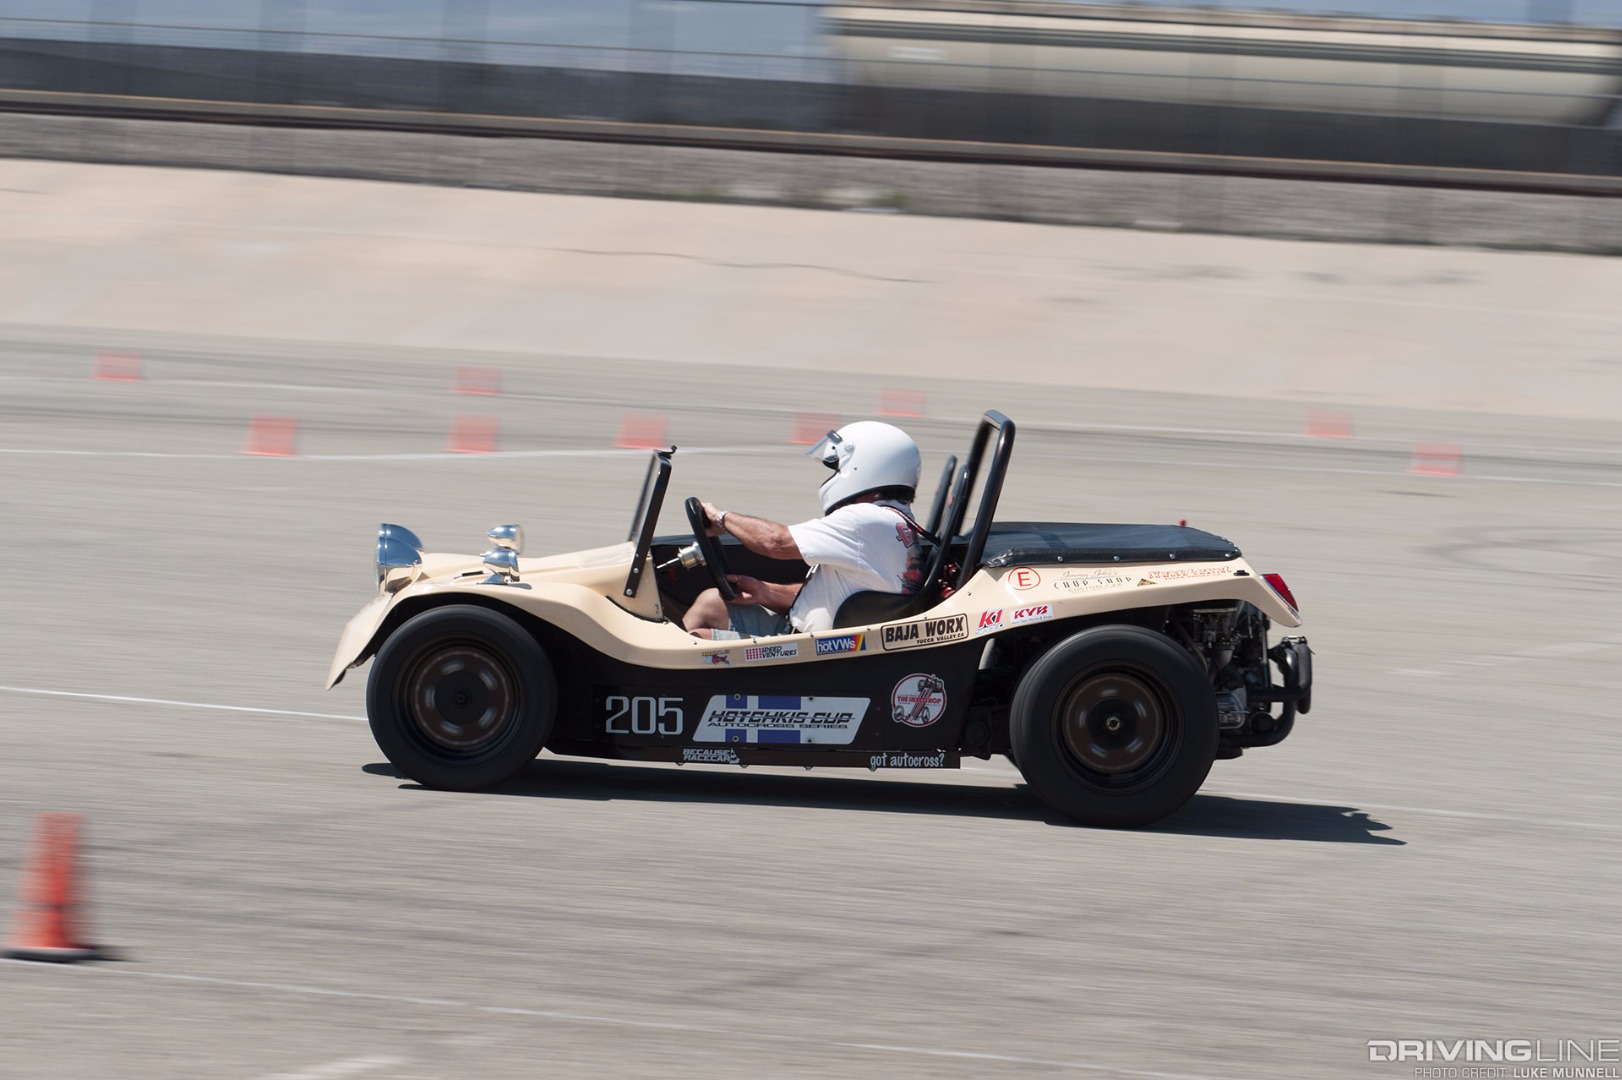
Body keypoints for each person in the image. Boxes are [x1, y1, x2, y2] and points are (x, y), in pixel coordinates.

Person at [683, 421, 927, 639]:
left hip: (814, 651)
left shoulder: (864, 521)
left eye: (836, 468)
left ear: (862, 469)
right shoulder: (895, 523)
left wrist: (721, 518)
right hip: (815, 638)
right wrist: (765, 592)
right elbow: (835, 595)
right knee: (711, 602)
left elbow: (776, 543)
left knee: (696, 641)